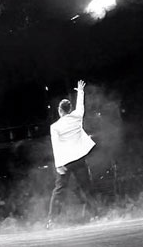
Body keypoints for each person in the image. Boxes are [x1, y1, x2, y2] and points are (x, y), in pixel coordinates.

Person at [47, 80, 97, 227]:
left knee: (59, 191)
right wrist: (80, 91)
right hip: (79, 159)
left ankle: (52, 220)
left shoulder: (55, 126)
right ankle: (95, 215)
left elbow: (55, 146)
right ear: (69, 109)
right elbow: (81, 106)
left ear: (59, 110)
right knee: (87, 188)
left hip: (66, 162)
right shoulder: (77, 117)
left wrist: (58, 165)